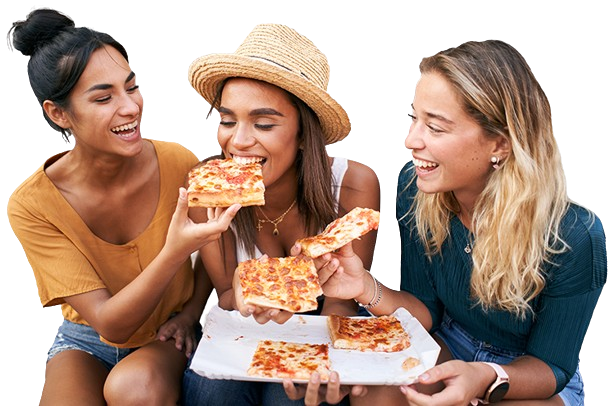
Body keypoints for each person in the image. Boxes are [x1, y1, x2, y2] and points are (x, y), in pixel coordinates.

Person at [296, 39, 607, 405]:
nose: (411, 140)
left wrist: (484, 377)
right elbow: (424, 313)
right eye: (414, 118)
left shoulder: (576, 235)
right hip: (446, 342)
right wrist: (364, 286)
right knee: (374, 394)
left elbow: (552, 367)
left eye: (437, 128)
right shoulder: (415, 186)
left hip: (527, 376)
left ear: (500, 145)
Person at [7, 6, 240, 405]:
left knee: (134, 389)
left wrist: (188, 316)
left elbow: (211, 255)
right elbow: (110, 325)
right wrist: (174, 251)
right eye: (104, 98)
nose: (130, 107)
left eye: (131, 87)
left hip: (168, 330)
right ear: (58, 113)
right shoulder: (32, 204)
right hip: (86, 339)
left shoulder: (179, 163)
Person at [181, 23, 380, 405]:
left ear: (304, 133)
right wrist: (242, 292)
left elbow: (342, 301)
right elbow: (225, 295)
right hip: (238, 330)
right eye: (227, 120)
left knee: (291, 399)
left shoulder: (354, 185)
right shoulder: (207, 189)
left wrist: (316, 365)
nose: (237, 141)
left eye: (264, 123)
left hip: (318, 330)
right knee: (211, 390)